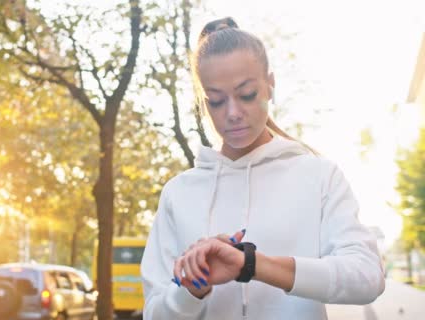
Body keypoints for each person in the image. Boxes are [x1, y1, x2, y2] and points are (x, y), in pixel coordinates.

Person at [140, 17, 385, 320]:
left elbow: (367, 276)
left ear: (270, 85)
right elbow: (154, 314)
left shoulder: (320, 175)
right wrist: (190, 290)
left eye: (246, 94)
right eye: (216, 101)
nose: (232, 113)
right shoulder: (179, 193)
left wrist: (252, 265)